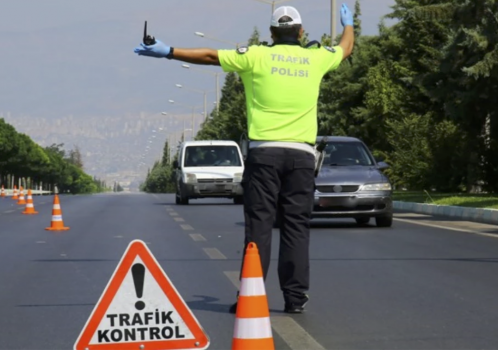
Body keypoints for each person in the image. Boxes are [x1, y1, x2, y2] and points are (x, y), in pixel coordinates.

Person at [134, 4, 354, 313]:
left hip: (264, 156)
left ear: (272, 34)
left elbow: (211, 56)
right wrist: (349, 26)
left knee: (259, 227)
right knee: (296, 228)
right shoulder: (316, 58)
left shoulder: (255, 56)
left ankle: (252, 295)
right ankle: (295, 298)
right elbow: (345, 49)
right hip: (302, 157)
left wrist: (168, 51)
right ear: (302, 33)